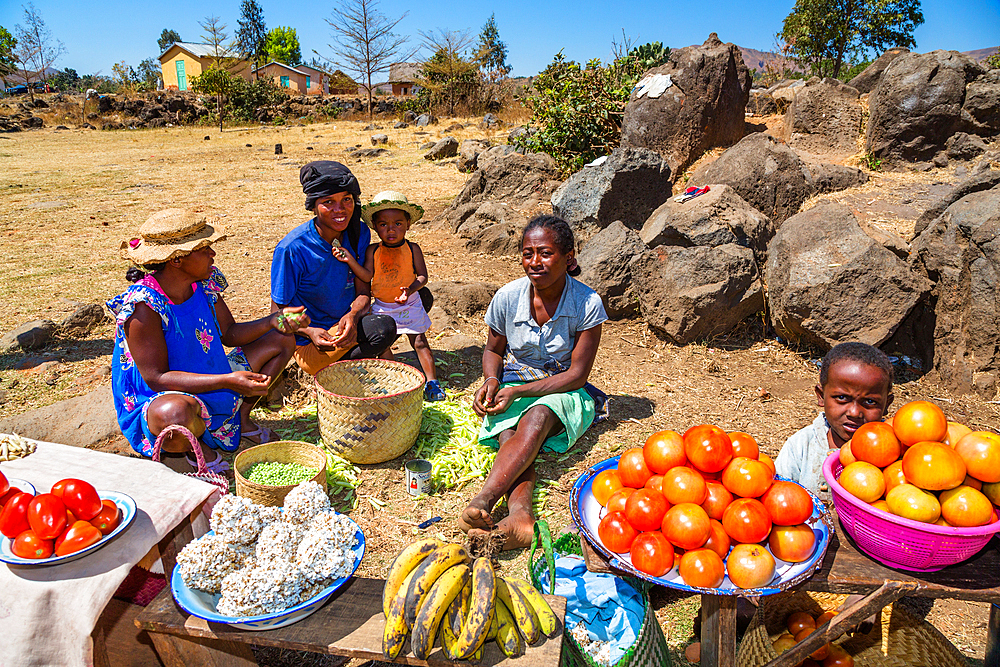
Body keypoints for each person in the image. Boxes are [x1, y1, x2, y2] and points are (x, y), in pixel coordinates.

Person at [107, 209, 310, 470]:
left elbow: (230, 334)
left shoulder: (203, 283)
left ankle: (240, 420)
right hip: (164, 395)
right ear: (176, 260)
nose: (212, 254)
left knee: (280, 340)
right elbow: (156, 378)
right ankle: (197, 448)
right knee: (174, 414)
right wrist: (227, 381)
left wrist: (274, 321)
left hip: (210, 376)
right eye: (203, 249)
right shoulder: (144, 307)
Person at [461, 215, 608, 549]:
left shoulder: (586, 303)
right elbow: (492, 350)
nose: (534, 262)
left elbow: (576, 375)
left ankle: (484, 498)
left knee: (536, 417)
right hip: (514, 379)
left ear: (569, 257)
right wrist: (491, 380)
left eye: (545, 253)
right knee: (512, 438)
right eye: (528, 254)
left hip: (563, 389)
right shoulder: (508, 296)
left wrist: (517, 392)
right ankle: (521, 516)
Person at [271, 161, 397, 376]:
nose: (340, 210)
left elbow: (363, 293)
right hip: (313, 345)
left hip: (347, 327)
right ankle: (338, 370)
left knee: (410, 306)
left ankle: (353, 362)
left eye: (346, 200)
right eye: (328, 202)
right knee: (381, 330)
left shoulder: (358, 233)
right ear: (313, 206)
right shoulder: (293, 249)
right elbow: (276, 315)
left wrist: (353, 316)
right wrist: (310, 331)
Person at [333, 190, 444, 401]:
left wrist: (410, 289)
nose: (391, 230)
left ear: (408, 224)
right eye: (383, 224)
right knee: (384, 346)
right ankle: (394, 381)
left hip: (409, 302)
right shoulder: (373, 251)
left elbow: (423, 276)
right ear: (375, 226)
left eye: (398, 224)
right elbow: (367, 275)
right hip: (383, 305)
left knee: (419, 341)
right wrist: (350, 260)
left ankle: (432, 382)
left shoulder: (413, 249)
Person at [775, 341, 895, 496]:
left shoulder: (894, 454)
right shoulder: (801, 447)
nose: (854, 412)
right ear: (821, 396)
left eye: (870, 402)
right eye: (842, 398)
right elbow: (777, 497)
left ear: (887, 405)